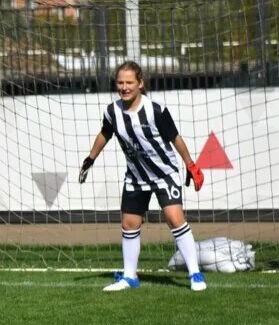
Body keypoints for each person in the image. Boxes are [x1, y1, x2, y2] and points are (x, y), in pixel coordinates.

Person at [78, 60, 207, 292]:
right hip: (136, 177)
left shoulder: (155, 110)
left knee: (174, 218)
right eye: (120, 82)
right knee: (129, 224)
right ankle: (129, 276)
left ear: (140, 84)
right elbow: (104, 134)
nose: (124, 87)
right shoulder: (112, 111)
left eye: (129, 82)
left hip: (164, 173)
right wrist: (91, 158)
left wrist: (190, 164)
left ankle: (195, 274)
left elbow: (175, 138)